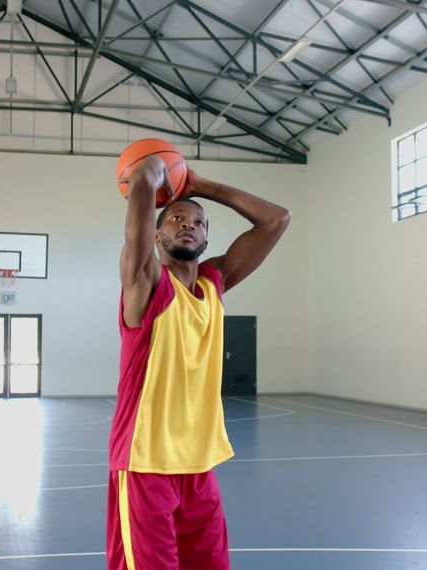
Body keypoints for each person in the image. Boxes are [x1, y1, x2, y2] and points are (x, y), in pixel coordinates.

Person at [107, 154, 290, 570]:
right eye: (175, 219)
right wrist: (151, 171)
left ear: (206, 239)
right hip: (144, 465)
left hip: (198, 468)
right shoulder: (147, 284)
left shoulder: (213, 283)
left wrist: (199, 185)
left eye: (198, 222)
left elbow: (276, 220)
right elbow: (138, 196)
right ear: (155, 237)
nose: (188, 224)